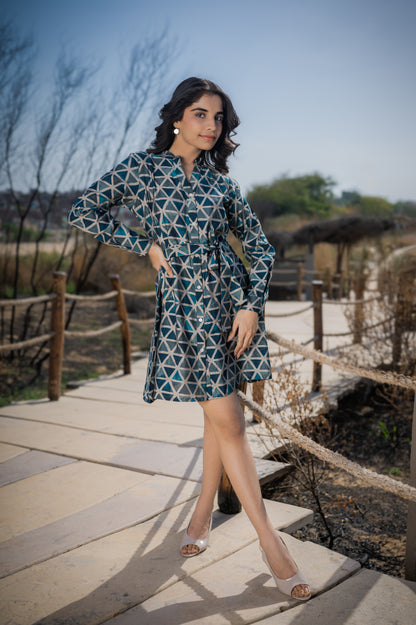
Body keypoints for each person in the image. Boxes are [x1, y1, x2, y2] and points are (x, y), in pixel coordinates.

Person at [67, 77, 311, 601]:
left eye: (218, 118)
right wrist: (144, 244)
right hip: (183, 311)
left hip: (229, 308)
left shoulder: (222, 184)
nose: (211, 126)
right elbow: (84, 211)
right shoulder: (141, 169)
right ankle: (272, 545)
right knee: (230, 422)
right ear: (177, 117)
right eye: (201, 114)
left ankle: (200, 521)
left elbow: (261, 250)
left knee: (218, 419)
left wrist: (250, 306)